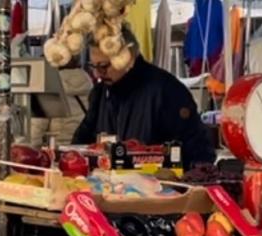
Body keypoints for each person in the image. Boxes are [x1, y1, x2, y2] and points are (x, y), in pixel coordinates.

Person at [73, 26, 216, 170]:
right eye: (93, 66)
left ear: (127, 57)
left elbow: (200, 152)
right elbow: (81, 143)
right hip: (111, 188)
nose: (97, 74)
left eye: (103, 66)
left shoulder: (167, 90)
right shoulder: (100, 92)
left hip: (160, 188)